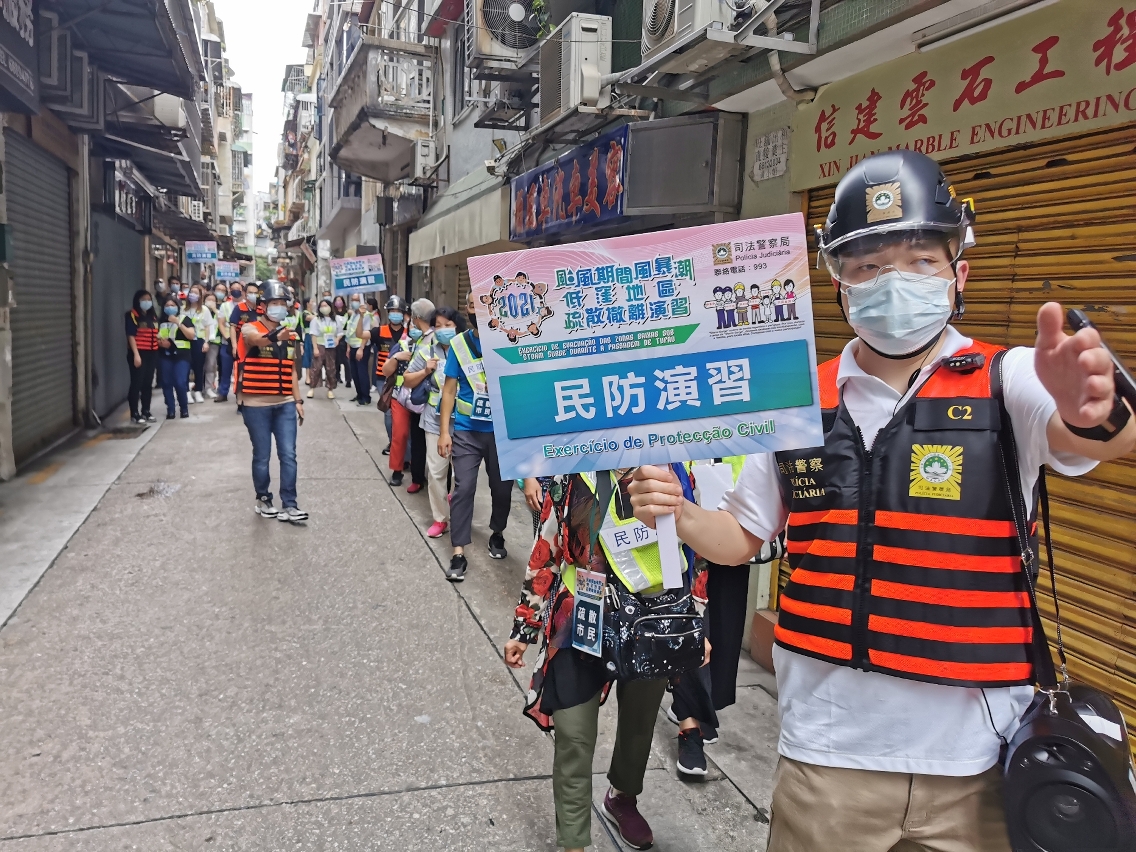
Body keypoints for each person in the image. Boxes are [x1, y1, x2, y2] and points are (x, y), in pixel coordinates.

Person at [627, 150, 1136, 852]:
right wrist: (679, 513)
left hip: (977, 765)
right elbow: (742, 537)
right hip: (828, 758)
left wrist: (1093, 408)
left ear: (959, 274)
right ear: (839, 284)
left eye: (920, 260)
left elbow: (1097, 435)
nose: (893, 281)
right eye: (867, 266)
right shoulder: (798, 399)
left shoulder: (1008, 378)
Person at [503, 467, 703, 852]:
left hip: (652, 620)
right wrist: (525, 626)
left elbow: (696, 549)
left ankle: (623, 797)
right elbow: (547, 548)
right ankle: (573, 842)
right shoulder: (571, 471)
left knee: (639, 724)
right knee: (573, 734)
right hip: (582, 614)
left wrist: (696, 617)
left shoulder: (672, 467)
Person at [437, 291, 514, 580]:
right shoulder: (458, 344)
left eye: (481, 303)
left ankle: (497, 532)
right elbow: (449, 391)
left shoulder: (509, 339)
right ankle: (458, 552)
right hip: (467, 430)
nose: (475, 309)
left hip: (501, 432)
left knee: (502, 489)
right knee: (464, 488)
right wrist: (444, 432)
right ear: (466, 309)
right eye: (471, 304)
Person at [236, 280, 308, 523]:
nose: (279, 307)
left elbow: (292, 370)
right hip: (256, 404)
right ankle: (263, 498)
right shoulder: (250, 328)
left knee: (289, 454)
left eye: (283, 303)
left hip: (285, 403)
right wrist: (277, 335)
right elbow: (257, 340)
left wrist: (298, 401)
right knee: (262, 455)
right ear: (263, 306)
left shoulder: (291, 334)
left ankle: (290, 505)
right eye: (274, 303)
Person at [408, 307, 464, 537]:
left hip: (463, 421)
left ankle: (459, 513)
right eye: (438, 326)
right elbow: (407, 380)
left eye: (447, 325)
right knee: (436, 472)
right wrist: (425, 371)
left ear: (457, 326)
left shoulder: (467, 351)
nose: (442, 330)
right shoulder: (427, 351)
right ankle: (440, 519)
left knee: (462, 475)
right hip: (434, 420)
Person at [381, 296, 431, 487]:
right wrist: (397, 358)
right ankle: (397, 470)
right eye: (412, 326)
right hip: (400, 398)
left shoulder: (430, 344)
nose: (415, 328)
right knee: (400, 434)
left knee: (420, 438)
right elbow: (386, 371)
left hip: (423, 397)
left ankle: (418, 472)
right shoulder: (402, 345)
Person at [156, 294, 195, 419]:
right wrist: (161, 343)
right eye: (167, 305)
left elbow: (191, 335)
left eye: (172, 305)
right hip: (165, 355)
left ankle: (184, 408)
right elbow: (155, 336)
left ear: (177, 307)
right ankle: (170, 409)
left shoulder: (184, 319)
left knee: (180, 382)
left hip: (182, 355)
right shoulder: (161, 321)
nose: (170, 308)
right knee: (166, 383)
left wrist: (178, 323)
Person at [125, 289, 159, 423]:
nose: (147, 302)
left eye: (149, 299)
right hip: (139, 353)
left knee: (148, 383)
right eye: (143, 299)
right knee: (137, 383)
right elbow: (131, 336)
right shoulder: (132, 315)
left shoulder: (153, 316)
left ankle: (146, 411)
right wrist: (136, 355)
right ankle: (134, 413)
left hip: (152, 353)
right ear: (137, 301)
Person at [226, 282, 261, 406]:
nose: (253, 295)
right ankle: (240, 400)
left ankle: (254, 398)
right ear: (245, 294)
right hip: (241, 345)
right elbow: (232, 327)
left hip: (258, 345)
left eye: (256, 293)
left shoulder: (262, 309)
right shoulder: (239, 308)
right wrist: (234, 345)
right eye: (250, 292)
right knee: (241, 372)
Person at [184, 283, 215, 404]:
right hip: (184, 341)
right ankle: (186, 392)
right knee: (185, 367)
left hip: (199, 341)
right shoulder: (183, 309)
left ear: (200, 296)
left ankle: (198, 390)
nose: (193, 295)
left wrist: (206, 342)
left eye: (196, 293)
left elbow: (208, 327)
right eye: (191, 292)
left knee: (198, 367)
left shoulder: (204, 310)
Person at [307, 298, 340, 399]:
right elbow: (313, 334)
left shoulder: (336, 319)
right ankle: (312, 388)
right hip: (320, 345)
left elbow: (340, 332)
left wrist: (337, 339)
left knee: (331, 368)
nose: (324, 308)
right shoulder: (316, 320)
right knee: (316, 368)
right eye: (322, 306)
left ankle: (330, 389)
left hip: (331, 347)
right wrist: (315, 348)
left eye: (326, 306)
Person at [344, 294, 373, 404]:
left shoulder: (366, 315)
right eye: (352, 300)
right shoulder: (353, 314)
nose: (354, 302)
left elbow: (366, 333)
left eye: (356, 300)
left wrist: (361, 348)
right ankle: (359, 394)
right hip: (352, 347)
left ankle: (366, 397)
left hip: (361, 347)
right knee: (354, 373)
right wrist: (348, 347)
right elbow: (349, 332)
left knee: (362, 373)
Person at [214, 282, 240, 402]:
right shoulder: (225, 306)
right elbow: (221, 323)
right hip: (227, 342)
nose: (236, 291)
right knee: (225, 369)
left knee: (241, 370)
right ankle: (223, 392)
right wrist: (227, 337)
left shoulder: (245, 306)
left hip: (242, 342)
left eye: (238, 288)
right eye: (233, 288)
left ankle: (240, 393)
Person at [202, 290, 222, 397]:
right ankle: (199, 387)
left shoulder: (218, 312)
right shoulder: (200, 311)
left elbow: (223, 322)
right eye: (208, 299)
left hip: (214, 342)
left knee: (211, 365)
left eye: (213, 300)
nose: (210, 302)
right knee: (200, 365)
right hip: (201, 340)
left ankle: (209, 387)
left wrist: (214, 309)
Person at [332, 295, 351, 388]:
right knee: (336, 359)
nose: (339, 302)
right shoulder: (333, 314)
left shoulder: (347, 313)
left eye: (340, 300)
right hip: (335, 337)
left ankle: (348, 379)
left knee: (346, 360)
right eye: (337, 300)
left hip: (346, 338)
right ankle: (337, 376)